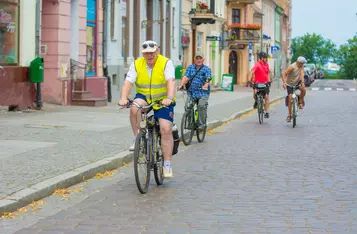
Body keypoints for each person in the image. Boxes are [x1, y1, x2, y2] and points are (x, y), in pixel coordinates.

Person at [118, 40, 176, 178]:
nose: (149, 56)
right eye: (146, 53)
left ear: (157, 51)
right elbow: (128, 82)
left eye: (152, 52)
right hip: (144, 97)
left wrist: (169, 97)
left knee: (165, 129)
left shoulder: (166, 63)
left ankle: (167, 164)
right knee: (134, 108)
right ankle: (138, 137)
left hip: (162, 100)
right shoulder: (137, 64)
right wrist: (123, 97)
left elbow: (171, 81)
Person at [178, 52, 212, 130]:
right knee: (187, 107)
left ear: (203, 59)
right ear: (194, 59)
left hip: (203, 92)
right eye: (197, 58)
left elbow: (208, 79)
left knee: (201, 105)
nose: (198, 60)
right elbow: (186, 77)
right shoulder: (190, 67)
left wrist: (206, 85)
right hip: (191, 92)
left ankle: (201, 125)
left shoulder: (206, 69)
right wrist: (181, 85)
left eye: (200, 58)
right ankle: (190, 123)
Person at [281, 56, 307, 122]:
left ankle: (300, 102)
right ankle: (289, 116)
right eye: (302, 63)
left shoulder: (301, 67)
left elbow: (302, 74)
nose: (303, 64)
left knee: (303, 89)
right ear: (298, 62)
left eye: (303, 63)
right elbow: (284, 74)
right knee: (290, 97)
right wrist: (284, 83)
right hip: (290, 84)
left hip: (297, 83)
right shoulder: (292, 67)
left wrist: (302, 82)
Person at [248, 52, 271, 118]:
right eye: (265, 58)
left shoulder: (267, 64)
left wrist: (269, 81)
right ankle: (256, 101)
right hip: (258, 83)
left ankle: (267, 112)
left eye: (266, 58)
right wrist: (249, 81)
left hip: (265, 83)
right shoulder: (257, 65)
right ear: (261, 58)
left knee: (266, 97)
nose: (266, 59)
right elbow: (251, 72)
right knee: (255, 94)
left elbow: (267, 73)